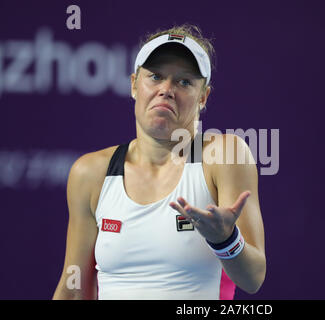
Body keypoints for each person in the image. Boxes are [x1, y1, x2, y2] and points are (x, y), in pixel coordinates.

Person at [52, 24, 266, 300]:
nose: (166, 89)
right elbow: (73, 288)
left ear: (203, 97)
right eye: (155, 76)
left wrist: (226, 240)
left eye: (184, 81)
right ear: (133, 84)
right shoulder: (90, 172)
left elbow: (253, 278)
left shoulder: (223, 155)